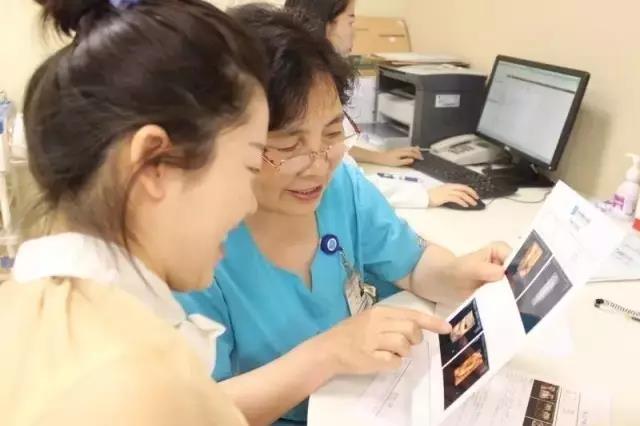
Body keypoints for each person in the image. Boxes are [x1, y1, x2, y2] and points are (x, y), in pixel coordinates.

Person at [176, 5, 510, 425]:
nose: (319, 164)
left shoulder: (341, 187)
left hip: (367, 403)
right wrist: (328, 353)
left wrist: (457, 273)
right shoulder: (189, 251)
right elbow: (198, 412)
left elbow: (410, 262)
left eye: (333, 132)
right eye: (288, 145)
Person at [0, 0, 269, 424]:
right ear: (154, 163)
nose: (250, 203)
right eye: (251, 166)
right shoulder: (140, 385)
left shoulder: (20, 310)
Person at [285, 0, 480, 209]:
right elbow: (348, 185)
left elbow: (336, 149)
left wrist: (378, 157)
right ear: (325, 24)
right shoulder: (309, 91)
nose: (355, 31)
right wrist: (425, 195)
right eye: (350, 21)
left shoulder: (301, 75)